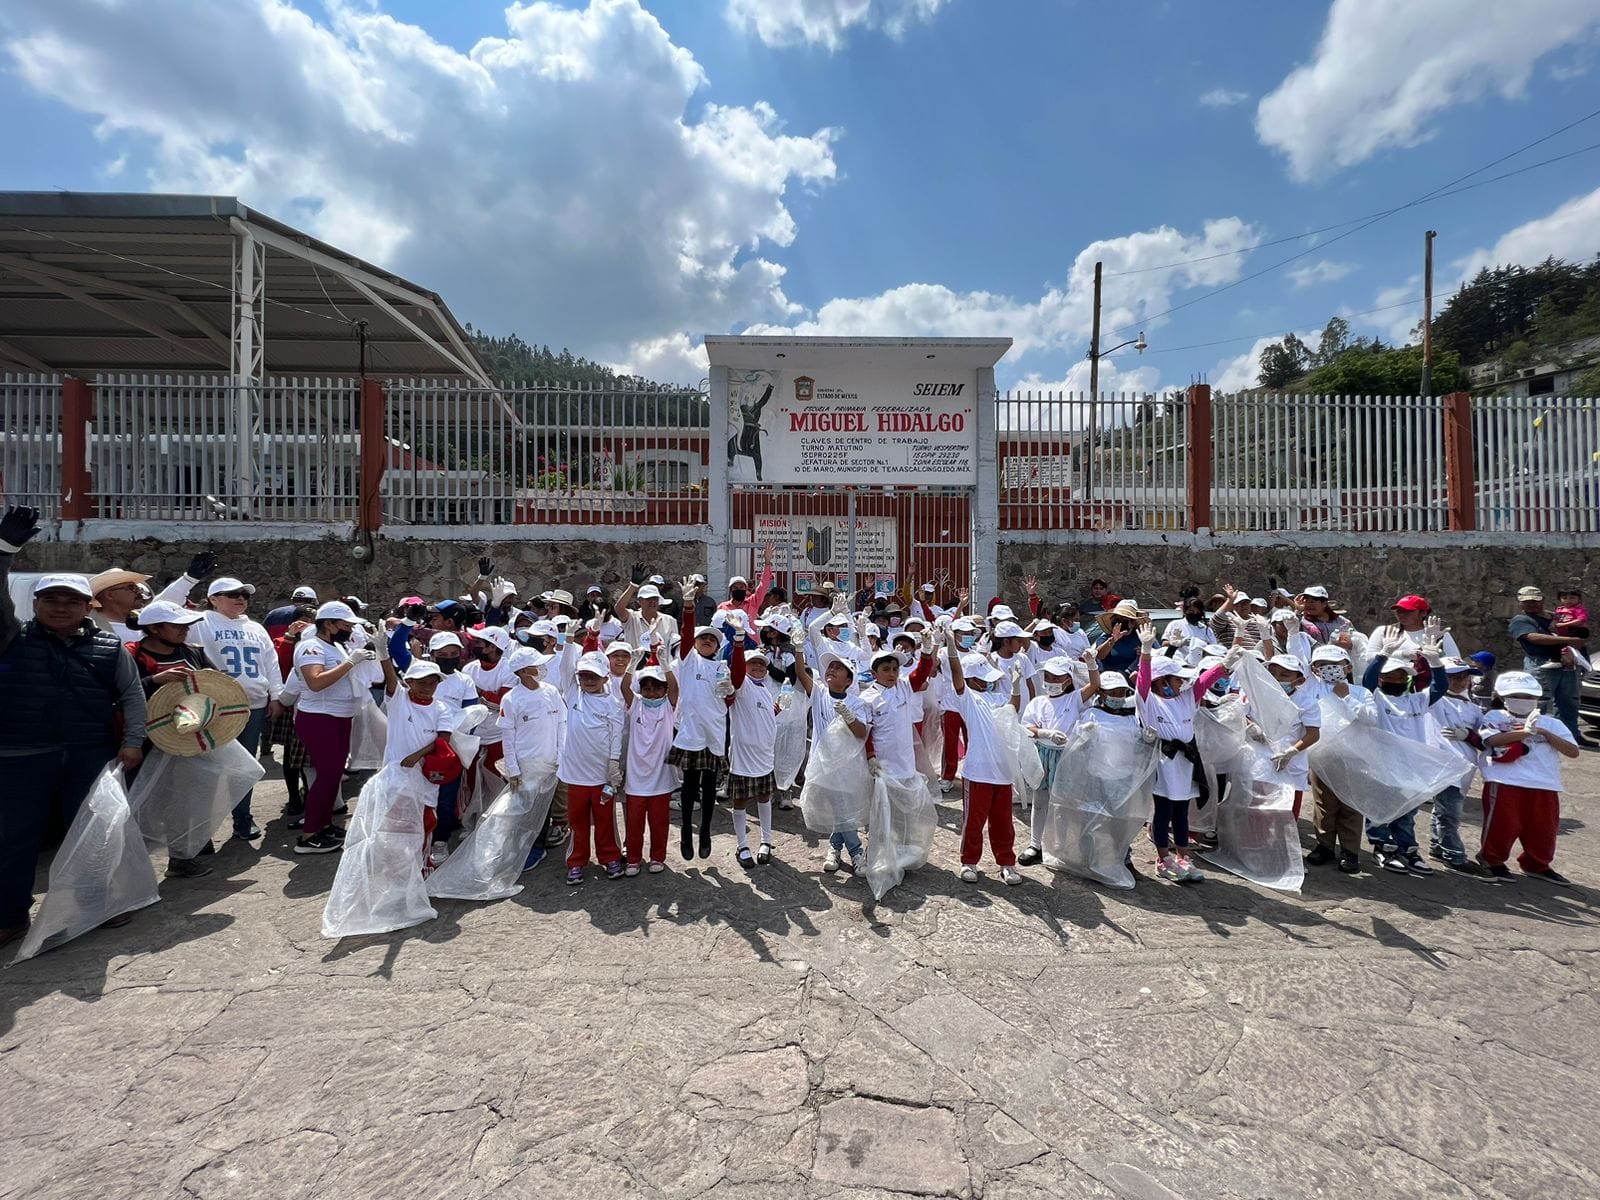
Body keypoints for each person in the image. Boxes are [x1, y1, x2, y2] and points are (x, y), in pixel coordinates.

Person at [0, 508, 149, 947]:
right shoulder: (11, 637)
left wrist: (133, 741)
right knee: (15, 839)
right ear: (35, 605)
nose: (61, 608)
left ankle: (94, 905)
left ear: (88, 606)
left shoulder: (108, 646)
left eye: (71, 601)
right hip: (21, 755)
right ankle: (9, 915)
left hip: (89, 752)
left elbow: (132, 695)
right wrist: (3, 553)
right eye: (52, 600)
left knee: (92, 834)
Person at [162, 574, 284, 842]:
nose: (240, 599)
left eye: (244, 595)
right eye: (233, 594)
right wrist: (188, 579)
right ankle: (202, 828)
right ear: (213, 600)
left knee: (245, 767)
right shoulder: (200, 622)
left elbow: (270, 663)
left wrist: (276, 695)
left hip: (253, 706)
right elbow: (159, 610)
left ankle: (242, 817)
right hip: (214, 707)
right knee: (208, 769)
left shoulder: (256, 628)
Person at [123, 600, 218, 877]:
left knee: (185, 798)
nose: (185, 630)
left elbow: (215, 683)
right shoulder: (132, 656)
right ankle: (133, 868)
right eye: (177, 626)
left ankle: (181, 857)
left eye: (186, 625)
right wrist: (154, 681)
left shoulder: (193, 652)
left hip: (187, 737)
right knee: (141, 800)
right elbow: (122, 695)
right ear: (154, 628)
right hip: (146, 739)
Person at [1136, 623, 1229, 882]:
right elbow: (1143, 683)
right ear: (1162, 682)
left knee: (1181, 811)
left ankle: (1183, 856)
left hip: (1185, 763)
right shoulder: (1149, 702)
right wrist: (1146, 652)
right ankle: (1163, 858)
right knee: (1163, 810)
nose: (1183, 683)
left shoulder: (1186, 698)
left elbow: (1203, 682)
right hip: (1164, 763)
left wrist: (1224, 664)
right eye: (1177, 679)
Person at [1361, 630, 1450, 875]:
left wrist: (1435, 662)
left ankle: (1407, 848)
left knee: (1407, 810)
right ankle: (1383, 847)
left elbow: (1440, 687)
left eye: (1402, 675)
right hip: (1383, 764)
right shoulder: (1376, 698)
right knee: (1381, 807)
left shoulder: (1417, 700)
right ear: (1382, 678)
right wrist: (1383, 654)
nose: (1397, 679)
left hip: (1411, 766)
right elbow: (1366, 682)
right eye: (1391, 675)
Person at [1476, 671, 1578, 884]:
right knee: (1504, 825)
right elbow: (1491, 741)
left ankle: (1536, 864)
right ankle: (1491, 860)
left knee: (1543, 829)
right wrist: (1525, 732)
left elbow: (1572, 751)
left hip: (1545, 783)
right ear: (1503, 696)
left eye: (1529, 696)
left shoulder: (1551, 723)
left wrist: (1546, 734)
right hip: (1505, 780)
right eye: (1517, 695)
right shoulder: (1494, 717)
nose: (1524, 700)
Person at [293, 600, 374, 854]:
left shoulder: (335, 645)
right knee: (327, 776)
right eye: (346, 624)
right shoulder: (311, 647)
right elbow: (315, 682)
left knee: (334, 776)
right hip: (319, 716)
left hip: (339, 716)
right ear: (329, 624)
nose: (350, 629)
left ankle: (324, 825)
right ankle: (309, 835)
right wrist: (351, 662)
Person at [945, 637, 1024, 886]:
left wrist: (1016, 687)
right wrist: (951, 650)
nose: (988, 681)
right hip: (977, 772)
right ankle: (969, 861)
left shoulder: (998, 697)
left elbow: (1012, 710)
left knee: (1003, 822)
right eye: (982, 677)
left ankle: (1006, 863)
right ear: (973, 679)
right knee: (974, 822)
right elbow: (957, 678)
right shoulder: (968, 698)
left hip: (1002, 772)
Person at [669, 579, 734, 861]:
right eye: (702, 638)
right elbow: (684, 635)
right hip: (691, 732)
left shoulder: (722, 666)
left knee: (709, 788)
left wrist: (729, 691)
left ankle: (705, 830)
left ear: (718, 646)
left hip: (714, 733)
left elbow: (729, 698)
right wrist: (687, 606)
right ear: (694, 643)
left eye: (712, 639)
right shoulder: (687, 661)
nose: (707, 641)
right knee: (689, 787)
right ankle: (686, 831)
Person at [1017, 650, 1100, 866]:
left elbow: (1094, 686)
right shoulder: (1038, 702)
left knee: (1064, 803)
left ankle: (1060, 846)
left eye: (1056, 678)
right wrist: (1046, 734)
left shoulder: (1074, 698)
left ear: (1067, 680)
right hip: (1044, 754)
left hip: (1067, 756)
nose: (1050, 681)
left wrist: (1091, 664)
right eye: (1048, 677)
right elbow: (1028, 726)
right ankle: (1035, 845)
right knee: (1041, 800)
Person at [1304, 644, 1372, 874]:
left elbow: (1370, 720)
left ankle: (1350, 851)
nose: (1328, 669)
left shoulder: (1361, 692)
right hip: (1324, 756)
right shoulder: (1314, 688)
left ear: (1348, 667)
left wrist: (1347, 699)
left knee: (1351, 807)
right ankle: (1324, 846)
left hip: (1355, 758)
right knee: (1324, 805)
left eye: (1334, 665)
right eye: (1322, 665)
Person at [560, 652, 625, 884]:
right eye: (584, 676)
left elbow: (616, 736)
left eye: (594, 676)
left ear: (606, 678)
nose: (589, 681)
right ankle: (576, 861)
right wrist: (567, 640)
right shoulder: (572, 695)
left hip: (602, 777)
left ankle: (610, 857)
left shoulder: (613, 704)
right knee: (577, 822)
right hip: (575, 776)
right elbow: (565, 669)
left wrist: (614, 764)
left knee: (605, 819)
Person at [499, 647, 565, 872]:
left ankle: (537, 847)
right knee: (524, 810)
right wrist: (513, 769)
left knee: (543, 809)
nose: (542, 668)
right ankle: (522, 847)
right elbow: (508, 737)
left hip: (550, 763)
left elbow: (562, 724)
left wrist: (561, 755)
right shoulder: (511, 699)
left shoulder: (551, 692)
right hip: (526, 765)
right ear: (524, 671)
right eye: (537, 665)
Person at [1508, 585, 1587, 745]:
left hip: (1567, 664)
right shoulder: (1521, 620)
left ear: (1542, 599)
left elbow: (1582, 633)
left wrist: (1574, 649)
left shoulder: (1556, 616)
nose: (1531, 604)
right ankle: (1533, 734)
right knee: (1539, 701)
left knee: (1569, 701)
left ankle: (1569, 735)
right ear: (1520, 603)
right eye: (1526, 602)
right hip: (1541, 664)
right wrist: (1568, 640)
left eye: (1534, 601)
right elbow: (1533, 637)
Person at [620, 664, 679, 875]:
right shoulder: (636, 705)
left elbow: (674, 688)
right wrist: (631, 667)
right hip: (636, 778)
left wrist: (665, 666)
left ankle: (657, 857)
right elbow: (625, 688)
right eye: (647, 688)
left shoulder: (668, 707)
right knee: (634, 823)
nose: (652, 693)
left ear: (663, 690)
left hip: (661, 777)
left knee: (659, 822)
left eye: (657, 688)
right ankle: (634, 859)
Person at [1431, 658, 1486, 872]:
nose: (1461, 681)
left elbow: (1485, 740)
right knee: (1449, 812)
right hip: (1444, 765)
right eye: (1454, 676)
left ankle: (1437, 845)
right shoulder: (1433, 701)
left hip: (1466, 766)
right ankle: (1454, 854)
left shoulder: (1473, 709)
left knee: (1443, 809)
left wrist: (1469, 735)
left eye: (1465, 676)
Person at [726, 647, 776, 868]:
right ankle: (742, 845)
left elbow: (763, 717)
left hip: (764, 756)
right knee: (740, 801)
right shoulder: (741, 685)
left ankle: (766, 840)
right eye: (752, 663)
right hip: (744, 757)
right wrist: (738, 639)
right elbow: (736, 672)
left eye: (762, 664)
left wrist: (776, 711)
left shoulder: (765, 688)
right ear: (744, 666)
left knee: (765, 797)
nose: (757, 667)